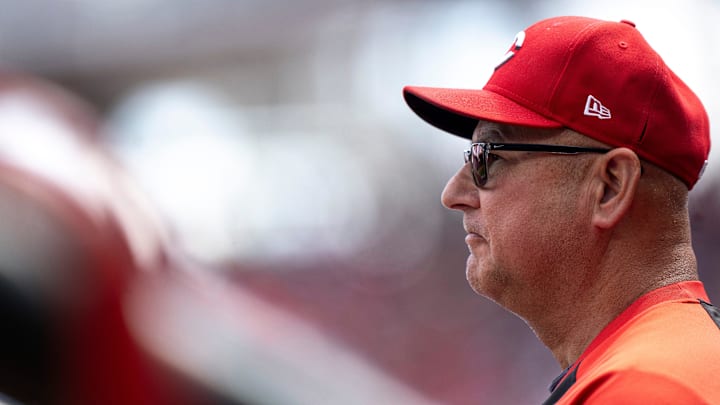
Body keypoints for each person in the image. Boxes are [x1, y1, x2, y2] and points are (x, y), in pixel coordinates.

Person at [403, 16, 720, 404]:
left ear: (609, 187)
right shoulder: (660, 361)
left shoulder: (647, 385)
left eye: (488, 157)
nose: (453, 193)